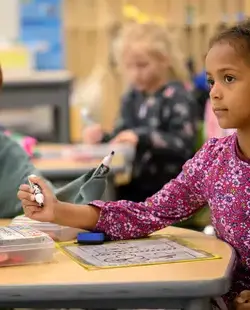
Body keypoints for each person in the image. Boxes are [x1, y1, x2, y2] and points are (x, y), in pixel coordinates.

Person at [18, 19, 250, 309]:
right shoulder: (213, 160)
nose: (214, 92)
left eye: (229, 78)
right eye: (212, 80)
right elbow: (146, 214)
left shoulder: (176, 99)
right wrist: (58, 210)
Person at [82, 22, 198, 201]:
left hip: (172, 193)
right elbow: (121, 136)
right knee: (94, 200)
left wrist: (141, 137)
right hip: (136, 188)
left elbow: (183, 144)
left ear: (164, 60)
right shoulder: (131, 98)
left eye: (142, 65)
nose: (135, 73)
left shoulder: (178, 96)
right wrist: (102, 138)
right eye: (129, 67)